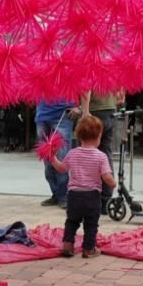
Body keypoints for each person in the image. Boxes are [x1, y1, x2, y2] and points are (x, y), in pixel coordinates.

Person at [51, 115, 116, 258]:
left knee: (72, 221)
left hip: (73, 195)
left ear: (79, 136)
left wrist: (52, 158)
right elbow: (106, 176)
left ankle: (68, 245)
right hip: (92, 196)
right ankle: (88, 249)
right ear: (99, 136)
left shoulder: (72, 153)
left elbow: (62, 169)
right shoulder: (101, 156)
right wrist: (113, 183)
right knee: (91, 224)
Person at [81, 90, 124, 214]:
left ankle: (89, 198)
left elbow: (86, 86)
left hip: (95, 110)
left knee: (87, 155)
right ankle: (106, 198)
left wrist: (85, 111)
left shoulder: (88, 69)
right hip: (110, 109)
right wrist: (119, 97)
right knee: (105, 153)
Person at [35, 99, 77, 209]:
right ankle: (56, 194)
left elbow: (82, 85)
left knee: (62, 157)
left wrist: (80, 107)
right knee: (47, 158)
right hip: (42, 114)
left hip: (62, 114)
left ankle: (64, 196)